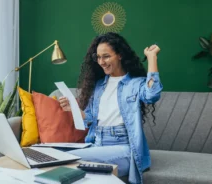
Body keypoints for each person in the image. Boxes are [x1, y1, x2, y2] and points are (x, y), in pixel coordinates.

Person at [58, 32, 163, 184]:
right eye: (98, 57)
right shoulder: (99, 85)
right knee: (52, 153)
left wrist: (152, 57)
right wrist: (73, 108)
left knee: (68, 158)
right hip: (97, 144)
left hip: (124, 148)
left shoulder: (135, 83)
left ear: (119, 55)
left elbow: (152, 94)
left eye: (106, 56)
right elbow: (91, 119)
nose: (101, 62)